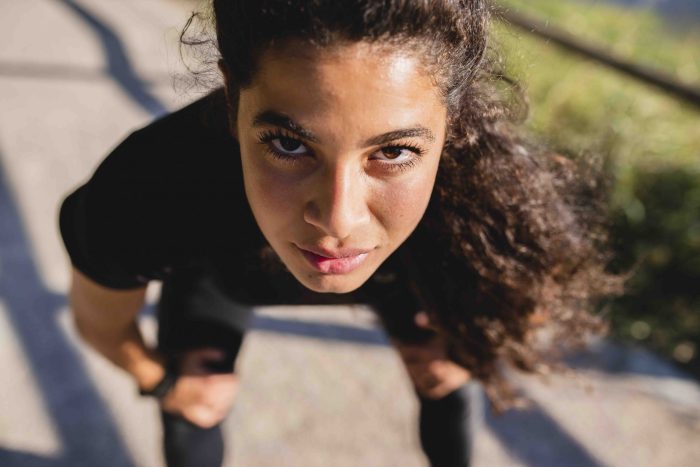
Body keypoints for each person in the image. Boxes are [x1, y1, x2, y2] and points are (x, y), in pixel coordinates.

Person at [59, 1, 620, 466]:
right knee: (193, 409)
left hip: (404, 274)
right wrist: (162, 383)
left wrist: (473, 352)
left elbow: (534, 294)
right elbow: (102, 323)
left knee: (451, 384)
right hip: (222, 276)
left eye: (394, 151)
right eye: (288, 144)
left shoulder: (487, 190)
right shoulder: (148, 188)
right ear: (233, 96)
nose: (337, 222)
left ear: (454, 116)